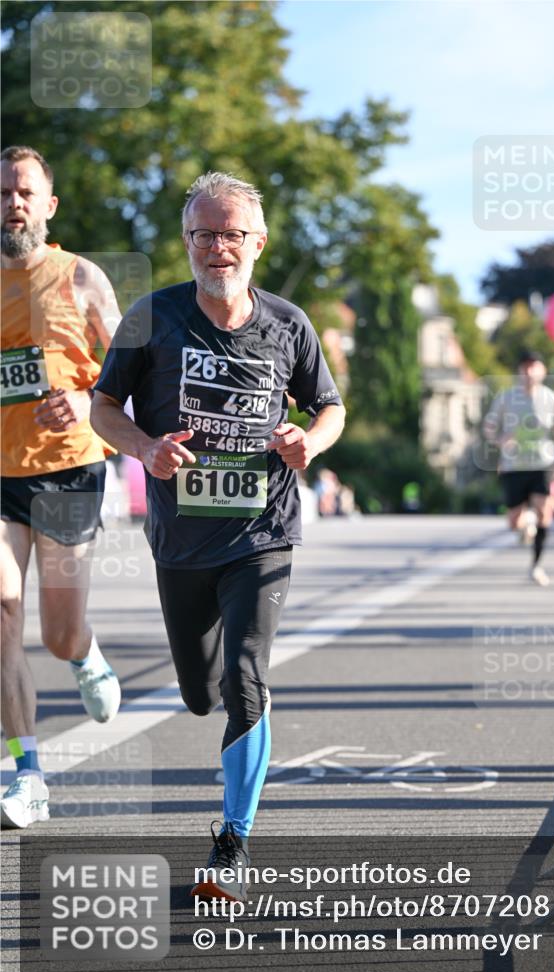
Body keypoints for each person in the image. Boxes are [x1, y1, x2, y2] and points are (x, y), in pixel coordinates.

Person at [91, 171, 345, 901]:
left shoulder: (288, 324)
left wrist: (310, 444)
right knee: (200, 692)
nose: (217, 247)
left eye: (231, 233)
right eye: (203, 234)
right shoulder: (152, 315)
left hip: (263, 532)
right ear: (187, 242)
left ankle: (232, 844)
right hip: (181, 542)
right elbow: (103, 407)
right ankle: (219, 720)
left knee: (245, 677)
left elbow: (328, 407)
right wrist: (144, 448)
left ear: (256, 243)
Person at [1, 146, 122, 829]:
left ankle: (85, 653)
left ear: (47, 206)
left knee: (58, 634)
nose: (12, 202)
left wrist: (82, 400)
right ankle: (27, 773)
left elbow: (132, 368)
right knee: (1, 611)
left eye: (24, 191)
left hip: (68, 470)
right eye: (2, 192)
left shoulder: (81, 277)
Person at [483, 349, 554, 586]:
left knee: (545, 512)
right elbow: (489, 427)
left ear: (543, 371)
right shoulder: (506, 398)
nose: (530, 372)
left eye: (534, 366)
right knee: (514, 521)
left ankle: (536, 565)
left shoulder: (552, 399)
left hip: (542, 462)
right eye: (525, 367)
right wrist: (500, 439)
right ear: (519, 371)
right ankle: (525, 524)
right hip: (514, 465)